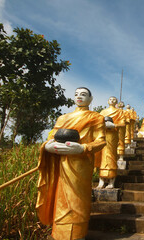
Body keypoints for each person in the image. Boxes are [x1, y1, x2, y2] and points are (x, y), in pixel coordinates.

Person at [36, 87, 106, 240]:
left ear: (91, 98)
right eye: (76, 94)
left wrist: (82, 148)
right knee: (61, 198)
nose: (79, 97)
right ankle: (59, 233)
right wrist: (48, 145)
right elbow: (52, 136)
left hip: (81, 163)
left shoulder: (96, 117)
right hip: (61, 162)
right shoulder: (63, 118)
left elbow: (101, 141)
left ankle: (78, 234)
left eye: (83, 94)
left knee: (77, 199)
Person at [95, 96, 125, 189]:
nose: (112, 100)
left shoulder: (120, 112)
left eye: (114, 99)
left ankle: (112, 181)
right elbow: (97, 122)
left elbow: (123, 124)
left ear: (116, 102)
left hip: (112, 135)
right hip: (103, 135)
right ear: (108, 101)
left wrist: (113, 125)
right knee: (101, 156)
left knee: (111, 156)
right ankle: (101, 180)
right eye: (110, 99)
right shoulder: (103, 112)